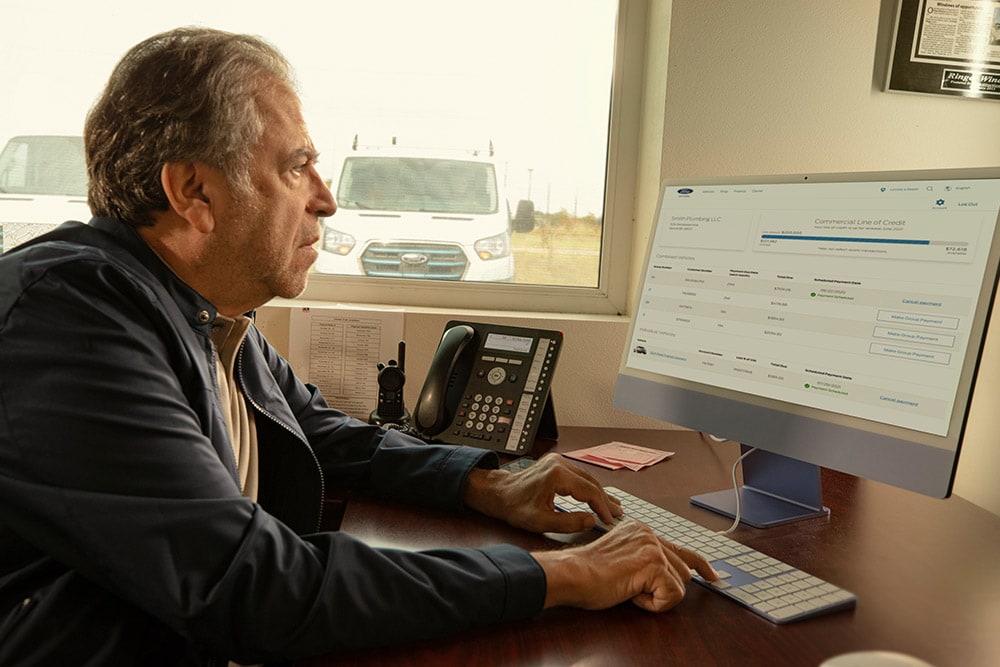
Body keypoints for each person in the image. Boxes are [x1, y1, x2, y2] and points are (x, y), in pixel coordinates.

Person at [0, 27, 716, 666]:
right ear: (194, 191)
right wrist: (566, 574)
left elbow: (318, 431)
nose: (326, 198)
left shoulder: (204, 309)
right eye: (295, 166)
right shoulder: (70, 321)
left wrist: (481, 480)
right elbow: (251, 584)